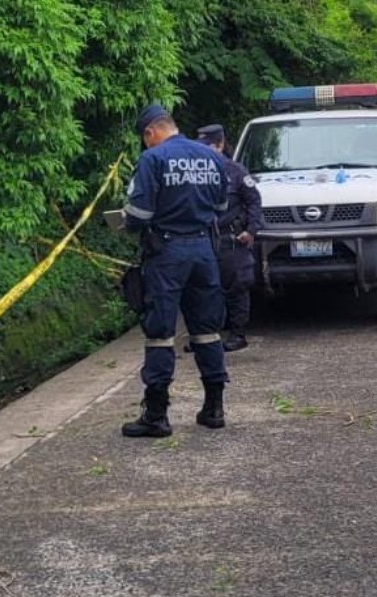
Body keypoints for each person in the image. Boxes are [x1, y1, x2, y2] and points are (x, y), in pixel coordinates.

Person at [120, 104, 230, 437]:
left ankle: (156, 415)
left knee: (160, 333)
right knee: (207, 330)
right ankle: (214, 408)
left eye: (145, 139)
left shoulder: (152, 159)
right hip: (203, 251)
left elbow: (138, 214)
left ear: (150, 132)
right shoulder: (211, 157)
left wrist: (126, 219)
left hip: (167, 253)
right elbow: (222, 207)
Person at [197, 124, 264, 353]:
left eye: (209, 147)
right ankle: (207, 337)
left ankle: (238, 334)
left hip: (231, 238)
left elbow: (254, 201)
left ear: (220, 145)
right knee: (205, 288)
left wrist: (252, 230)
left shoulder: (236, 172)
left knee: (237, 287)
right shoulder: (196, 172)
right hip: (204, 238)